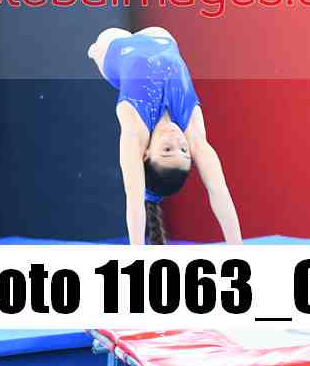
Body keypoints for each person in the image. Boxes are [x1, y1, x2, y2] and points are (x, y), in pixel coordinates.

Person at [87, 26, 242, 245]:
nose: (177, 140)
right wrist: (237, 249)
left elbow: (134, 197)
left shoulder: (135, 127)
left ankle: (94, 52)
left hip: (115, 50)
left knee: (103, 42)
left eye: (167, 149)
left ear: (145, 154)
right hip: (160, 36)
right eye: (184, 150)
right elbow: (218, 191)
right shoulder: (192, 129)